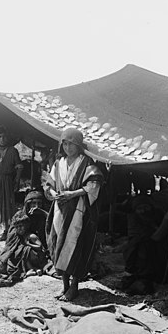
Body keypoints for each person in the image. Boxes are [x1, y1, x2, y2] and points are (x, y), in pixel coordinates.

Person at [43, 127, 104, 301]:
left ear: (79, 145)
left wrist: (73, 194)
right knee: (59, 243)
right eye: (65, 143)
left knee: (75, 244)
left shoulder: (86, 163)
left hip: (78, 210)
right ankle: (64, 285)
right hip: (60, 210)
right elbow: (49, 184)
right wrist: (55, 195)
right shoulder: (58, 163)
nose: (68, 148)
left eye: (72, 144)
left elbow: (94, 184)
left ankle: (74, 286)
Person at [121, 194, 168, 294]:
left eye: (146, 207)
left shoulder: (156, 213)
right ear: (135, 210)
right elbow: (154, 237)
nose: (144, 211)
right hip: (143, 255)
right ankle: (150, 275)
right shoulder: (134, 220)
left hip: (158, 247)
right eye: (140, 209)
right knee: (146, 247)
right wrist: (166, 219)